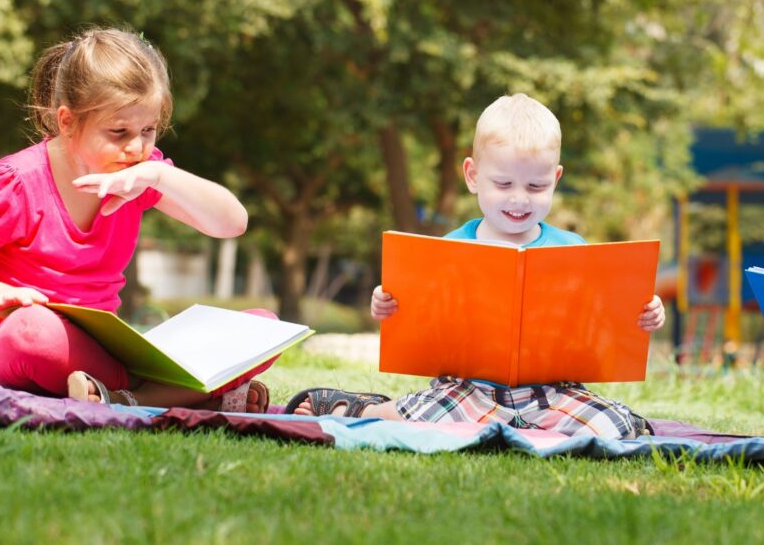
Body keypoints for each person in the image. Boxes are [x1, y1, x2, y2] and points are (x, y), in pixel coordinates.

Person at [285, 93, 666, 439]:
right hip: (469, 389)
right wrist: (384, 304)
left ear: (556, 178)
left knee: (615, 428)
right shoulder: (451, 249)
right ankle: (363, 407)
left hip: (554, 392)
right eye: (503, 184)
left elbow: (602, 325)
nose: (519, 199)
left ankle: (542, 421)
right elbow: (420, 319)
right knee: (425, 420)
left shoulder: (575, 250)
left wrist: (645, 314)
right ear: (472, 175)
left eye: (536, 187)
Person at [0, 28, 271, 412]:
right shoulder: (18, 183)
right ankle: (190, 392)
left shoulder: (140, 174)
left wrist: (158, 176)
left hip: (109, 355)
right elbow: (30, 333)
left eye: (148, 130)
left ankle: (124, 397)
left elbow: (232, 222)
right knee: (33, 331)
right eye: (119, 132)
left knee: (263, 326)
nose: (137, 147)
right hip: (33, 345)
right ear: (67, 121)